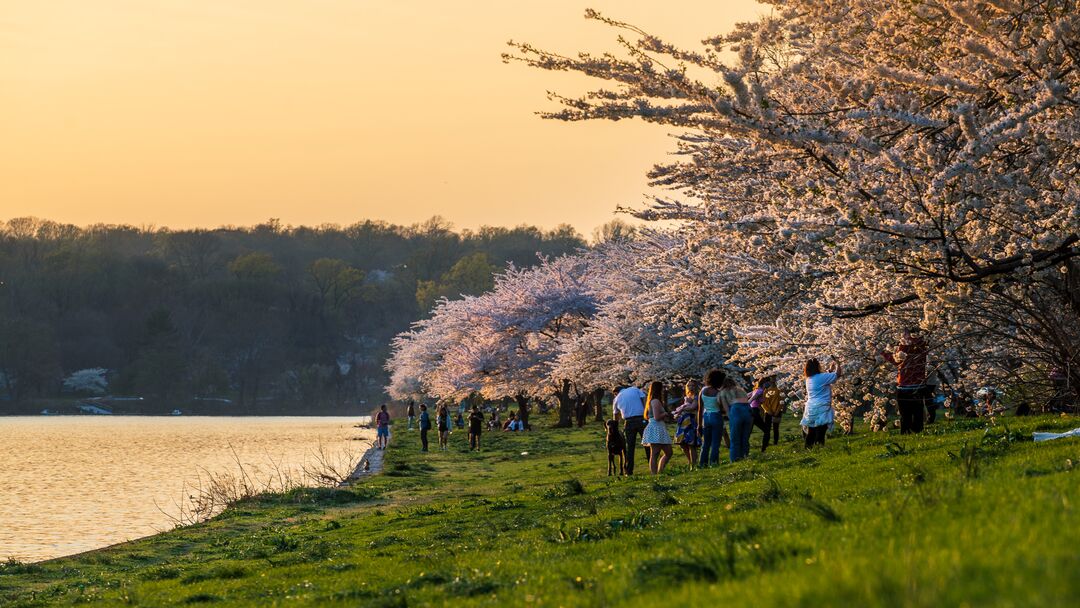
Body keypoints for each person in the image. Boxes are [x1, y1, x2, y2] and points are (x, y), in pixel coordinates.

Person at [882, 327, 928, 434]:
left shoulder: (904, 346)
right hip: (919, 384)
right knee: (918, 411)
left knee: (905, 413)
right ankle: (918, 431)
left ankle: (906, 432)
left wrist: (883, 353)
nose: (902, 336)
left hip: (905, 385)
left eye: (904, 333)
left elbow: (896, 360)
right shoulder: (923, 345)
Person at [802, 358, 840, 448]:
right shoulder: (821, 377)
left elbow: (824, 378)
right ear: (817, 366)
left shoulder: (809, 379)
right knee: (821, 430)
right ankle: (819, 449)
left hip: (811, 408)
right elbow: (837, 374)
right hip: (821, 407)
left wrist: (830, 370)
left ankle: (808, 448)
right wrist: (838, 364)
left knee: (811, 431)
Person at [612, 384, 648, 475]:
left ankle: (628, 471)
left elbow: (615, 415)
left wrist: (616, 427)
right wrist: (645, 411)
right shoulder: (634, 389)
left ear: (616, 393)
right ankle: (653, 466)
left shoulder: (616, 399)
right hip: (641, 419)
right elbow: (644, 398)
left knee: (629, 447)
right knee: (648, 443)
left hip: (628, 422)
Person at [718, 371, 752, 462]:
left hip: (735, 411)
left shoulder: (723, 392)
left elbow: (726, 408)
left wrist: (730, 417)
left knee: (735, 438)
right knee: (745, 438)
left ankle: (734, 459)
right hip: (747, 411)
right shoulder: (741, 390)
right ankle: (745, 456)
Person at [640, 381, 673, 474]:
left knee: (669, 452)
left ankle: (660, 470)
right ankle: (654, 474)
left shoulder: (654, 400)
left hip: (659, 427)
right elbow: (657, 417)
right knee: (655, 453)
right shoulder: (655, 401)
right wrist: (666, 413)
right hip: (656, 427)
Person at [697, 370, 725, 467]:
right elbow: (722, 408)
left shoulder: (703, 390)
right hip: (716, 416)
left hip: (706, 417)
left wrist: (699, 425)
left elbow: (700, 409)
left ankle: (702, 464)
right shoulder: (719, 393)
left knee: (705, 444)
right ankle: (713, 463)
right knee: (715, 443)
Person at [673, 379, 701, 468]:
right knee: (682, 443)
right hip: (684, 420)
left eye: (693, 385)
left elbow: (693, 407)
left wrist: (681, 409)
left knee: (691, 443)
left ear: (696, 387)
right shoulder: (687, 396)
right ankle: (690, 462)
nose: (691, 387)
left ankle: (694, 464)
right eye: (689, 385)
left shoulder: (696, 396)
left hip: (691, 420)